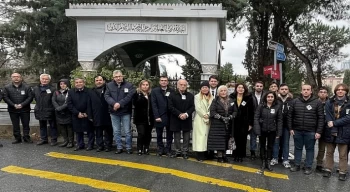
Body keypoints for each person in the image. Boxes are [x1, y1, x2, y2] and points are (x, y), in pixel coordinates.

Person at [288, 84, 324, 175]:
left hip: (311, 131)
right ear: (301, 91)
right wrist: (291, 128)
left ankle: (308, 166)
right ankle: (297, 165)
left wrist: (319, 131)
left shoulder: (317, 102)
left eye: (308, 89)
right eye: (304, 89)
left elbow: (321, 118)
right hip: (297, 130)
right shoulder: (295, 101)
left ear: (311, 91)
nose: (306, 91)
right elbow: (290, 116)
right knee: (298, 148)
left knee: (310, 149)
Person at [323, 84, 350, 181]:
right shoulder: (329, 101)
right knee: (329, 152)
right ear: (335, 91)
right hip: (331, 130)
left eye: (342, 90)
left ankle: (342, 171)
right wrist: (330, 122)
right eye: (338, 89)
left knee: (343, 154)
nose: (340, 91)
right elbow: (328, 114)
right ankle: (328, 169)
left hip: (344, 131)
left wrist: (334, 123)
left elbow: (348, 118)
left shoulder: (349, 102)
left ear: (346, 91)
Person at [105, 70, 135, 154]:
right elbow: (107, 96)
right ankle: (119, 147)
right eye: (116, 77)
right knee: (116, 131)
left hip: (125, 111)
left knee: (127, 131)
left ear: (122, 76)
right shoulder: (109, 85)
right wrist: (114, 104)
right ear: (113, 78)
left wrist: (120, 104)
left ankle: (128, 147)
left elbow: (129, 97)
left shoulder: (129, 85)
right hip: (114, 111)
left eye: (120, 76)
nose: (118, 78)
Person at [254, 91, 282, 171]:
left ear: (274, 98)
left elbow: (279, 120)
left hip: (272, 130)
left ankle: (268, 162)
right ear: (265, 98)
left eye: (271, 97)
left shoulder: (277, 106)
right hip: (262, 129)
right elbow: (256, 118)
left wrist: (278, 132)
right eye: (268, 97)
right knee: (262, 146)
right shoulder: (261, 106)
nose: (270, 98)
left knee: (270, 146)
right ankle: (263, 161)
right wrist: (257, 130)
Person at [208, 85, 237, 162]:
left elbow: (235, 111)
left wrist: (230, 117)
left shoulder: (231, 100)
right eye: (221, 91)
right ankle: (219, 156)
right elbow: (212, 112)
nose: (223, 92)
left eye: (225, 90)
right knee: (219, 141)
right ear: (218, 92)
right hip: (218, 124)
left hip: (228, 124)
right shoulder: (215, 100)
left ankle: (224, 155)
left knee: (225, 140)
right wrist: (221, 118)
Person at [3, 73, 33, 144]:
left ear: (21, 78)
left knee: (26, 124)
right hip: (13, 109)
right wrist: (13, 105)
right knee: (15, 125)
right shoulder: (7, 87)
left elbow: (30, 97)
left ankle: (26, 137)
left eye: (17, 77)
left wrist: (22, 104)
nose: (16, 78)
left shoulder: (27, 87)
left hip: (25, 109)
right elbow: (5, 97)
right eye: (14, 77)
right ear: (11, 78)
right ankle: (17, 138)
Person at [168, 79, 195, 159]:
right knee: (177, 136)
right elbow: (170, 106)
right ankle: (177, 151)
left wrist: (186, 114)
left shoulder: (190, 95)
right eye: (181, 84)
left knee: (186, 136)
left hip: (187, 118)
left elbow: (192, 106)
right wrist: (179, 114)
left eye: (184, 85)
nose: (183, 86)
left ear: (186, 86)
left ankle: (185, 151)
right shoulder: (172, 95)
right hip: (176, 118)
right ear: (177, 85)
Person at [67, 78, 94, 151]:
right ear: (74, 84)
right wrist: (77, 113)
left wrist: (87, 113)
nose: (78, 84)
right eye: (76, 82)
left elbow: (91, 103)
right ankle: (80, 144)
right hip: (76, 114)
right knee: (78, 130)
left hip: (87, 114)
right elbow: (69, 104)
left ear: (84, 83)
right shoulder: (71, 92)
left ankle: (90, 144)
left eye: (80, 82)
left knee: (89, 130)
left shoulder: (89, 91)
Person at [229, 83, 254, 162]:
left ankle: (241, 155)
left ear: (245, 89)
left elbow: (251, 111)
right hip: (234, 121)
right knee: (235, 138)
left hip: (244, 122)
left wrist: (250, 123)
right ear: (236, 89)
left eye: (242, 88)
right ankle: (235, 154)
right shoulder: (231, 97)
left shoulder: (248, 98)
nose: (240, 89)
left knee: (242, 139)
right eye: (239, 87)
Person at [151, 76, 174, 157]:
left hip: (169, 116)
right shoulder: (154, 91)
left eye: (165, 80)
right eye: (162, 80)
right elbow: (153, 104)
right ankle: (160, 149)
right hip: (159, 116)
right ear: (159, 82)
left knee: (169, 135)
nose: (163, 82)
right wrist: (156, 116)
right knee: (159, 134)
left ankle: (168, 149)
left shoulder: (172, 91)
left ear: (167, 82)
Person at [271, 83, 293, 168]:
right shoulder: (275, 100)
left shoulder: (292, 100)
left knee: (286, 143)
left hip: (287, 126)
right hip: (276, 125)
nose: (284, 90)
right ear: (279, 90)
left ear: (288, 90)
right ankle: (275, 158)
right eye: (282, 89)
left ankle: (286, 160)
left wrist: (291, 126)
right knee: (276, 142)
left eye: (286, 89)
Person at [89, 75, 113, 152]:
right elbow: (88, 103)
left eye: (100, 80)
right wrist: (90, 115)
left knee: (108, 131)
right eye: (97, 80)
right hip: (96, 114)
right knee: (98, 132)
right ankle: (100, 146)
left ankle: (108, 146)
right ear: (94, 82)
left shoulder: (108, 89)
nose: (99, 82)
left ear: (104, 81)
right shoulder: (91, 91)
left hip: (107, 113)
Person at [32, 74, 57, 146]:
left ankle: (53, 139)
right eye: (43, 79)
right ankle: (43, 139)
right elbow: (32, 97)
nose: (44, 80)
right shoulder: (36, 88)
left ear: (49, 80)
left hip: (50, 109)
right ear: (40, 80)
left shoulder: (53, 89)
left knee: (53, 126)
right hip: (40, 109)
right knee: (42, 125)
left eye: (46, 79)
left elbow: (55, 100)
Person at [193, 81, 213, 161]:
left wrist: (208, 114)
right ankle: (199, 155)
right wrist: (205, 115)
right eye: (203, 87)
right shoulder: (197, 97)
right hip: (200, 119)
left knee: (206, 137)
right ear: (200, 88)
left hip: (209, 119)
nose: (205, 89)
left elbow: (213, 108)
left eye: (206, 87)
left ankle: (206, 153)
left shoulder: (212, 97)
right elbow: (198, 108)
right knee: (200, 137)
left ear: (209, 88)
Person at [133, 79, 154, 156]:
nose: (145, 86)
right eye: (143, 85)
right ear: (140, 86)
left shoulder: (151, 94)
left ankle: (146, 147)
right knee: (141, 133)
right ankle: (139, 148)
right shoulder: (136, 94)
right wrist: (143, 97)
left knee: (148, 134)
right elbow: (135, 103)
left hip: (149, 118)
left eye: (147, 85)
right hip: (140, 118)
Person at [52, 79, 74, 148]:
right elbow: (53, 100)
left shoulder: (70, 92)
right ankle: (65, 141)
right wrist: (57, 108)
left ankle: (71, 142)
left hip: (67, 112)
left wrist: (61, 108)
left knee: (69, 127)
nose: (62, 85)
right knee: (62, 127)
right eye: (61, 84)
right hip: (59, 113)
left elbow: (68, 102)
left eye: (64, 84)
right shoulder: (56, 92)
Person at [250, 81, 267, 160]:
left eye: (260, 86)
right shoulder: (250, 95)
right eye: (257, 86)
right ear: (254, 87)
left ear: (262, 87)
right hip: (253, 119)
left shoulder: (266, 95)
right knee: (253, 137)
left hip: (263, 119)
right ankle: (252, 152)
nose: (259, 87)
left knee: (262, 137)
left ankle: (262, 152)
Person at [315, 86, 328, 172]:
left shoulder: (330, 103)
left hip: (326, 128)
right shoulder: (315, 102)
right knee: (310, 147)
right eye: (321, 92)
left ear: (327, 94)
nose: (322, 93)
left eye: (324, 92)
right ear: (318, 93)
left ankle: (319, 164)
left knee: (322, 148)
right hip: (314, 127)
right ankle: (308, 161)